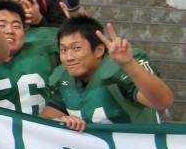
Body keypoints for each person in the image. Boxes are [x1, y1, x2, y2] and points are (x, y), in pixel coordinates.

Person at [41, 17, 174, 128]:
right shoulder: (62, 77)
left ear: (99, 50)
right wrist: (59, 121)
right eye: (63, 50)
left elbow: (163, 101)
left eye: (76, 48)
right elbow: (45, 118)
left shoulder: (118, 67)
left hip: (139, 148)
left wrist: (129, 64)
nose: (68, 57)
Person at [0, 0, 58, 115]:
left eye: (16, 26)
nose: (9, 31)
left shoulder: (46, 53)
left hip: (41, 125)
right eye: (1, 25)